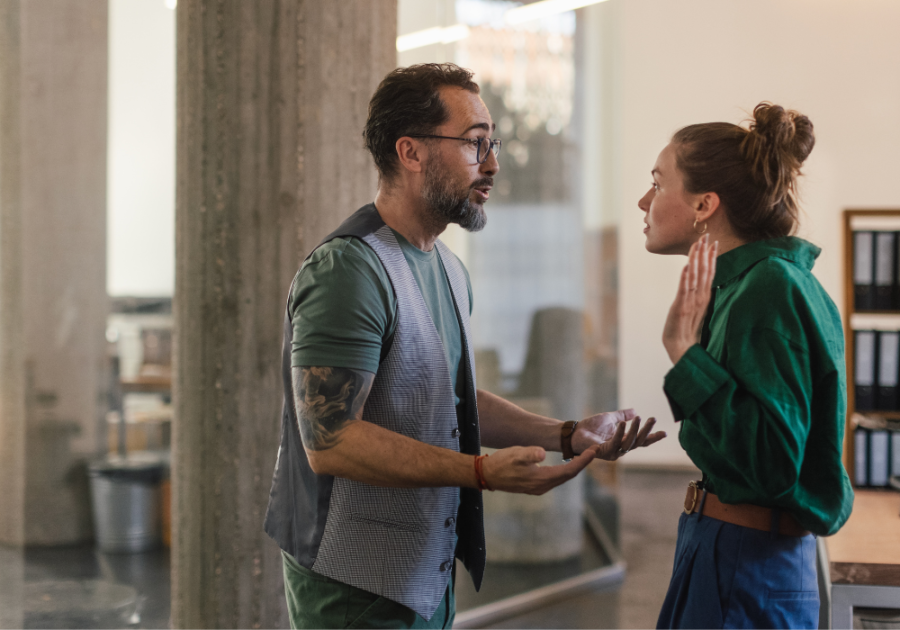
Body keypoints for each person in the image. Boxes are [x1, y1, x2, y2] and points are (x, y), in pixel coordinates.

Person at [264, 63, 666, 630]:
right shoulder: (347, 270)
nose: (494, 165)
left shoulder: (448, 268)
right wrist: (479, 471)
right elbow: (330, 440)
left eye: (492, 144)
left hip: (422, 575)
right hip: (353, 586)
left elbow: (443, 396)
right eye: (476, 144)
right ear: (411, 152)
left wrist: (566, 434)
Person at [639, 102, 854, 629]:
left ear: (704, 204)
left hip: (746, 561)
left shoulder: (769, 289)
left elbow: (772, 463)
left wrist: (685, 355)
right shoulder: (747, 287)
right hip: (727, 549)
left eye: (658, 183)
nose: (643, 200)